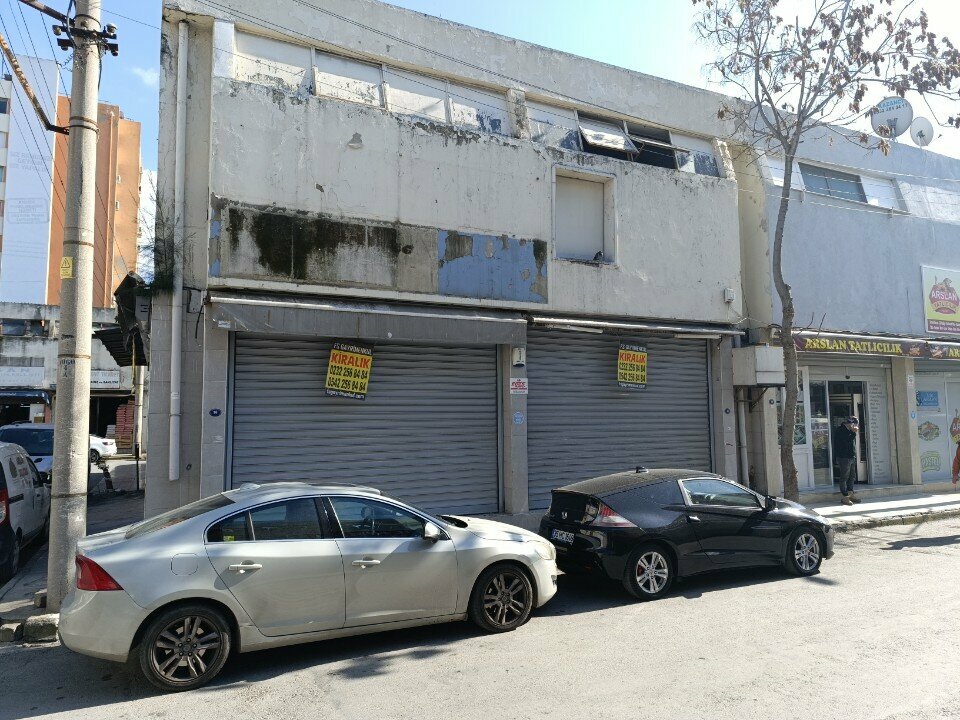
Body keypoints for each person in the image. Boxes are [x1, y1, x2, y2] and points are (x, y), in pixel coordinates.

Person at [834, 417, 862, 506]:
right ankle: (845, 496)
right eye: (854, 424)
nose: (855, 426)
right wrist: (853, 433)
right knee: (844, 477)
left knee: (852, 476)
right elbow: (846, 442)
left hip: (851, 456)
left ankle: (850, 494)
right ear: (850, 423)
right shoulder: (840, 430)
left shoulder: (850, 431)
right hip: (843, 457)